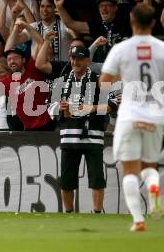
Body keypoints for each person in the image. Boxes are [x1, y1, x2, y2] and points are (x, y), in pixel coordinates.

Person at [100, 4, 164, 231]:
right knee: (150, 167)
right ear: (154, 22)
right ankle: (154, 195)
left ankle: (138, 220)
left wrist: (123, 80)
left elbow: (104, 82)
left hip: (129, 115)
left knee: (129, 171)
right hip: (155, 115)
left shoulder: (121, 49)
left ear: (131, 21)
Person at [37, 35, 114, 213]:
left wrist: (91, 108)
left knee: (96, 178)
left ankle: (96, 212)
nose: (75, 62)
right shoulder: (61, 81)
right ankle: (69, 213)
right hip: (68, 136)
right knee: (66, 179)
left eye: (79, 58)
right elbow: (50, 108)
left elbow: (111, 106)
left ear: (87, 60)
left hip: (93, 135)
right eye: (72, 58)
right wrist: (60, 108)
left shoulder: (98, 80)